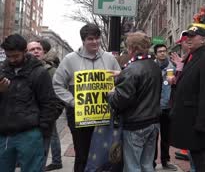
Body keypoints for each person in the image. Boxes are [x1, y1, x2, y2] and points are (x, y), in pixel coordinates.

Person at [53, 24, 121, 172]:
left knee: (104, 153)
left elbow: (120, 80)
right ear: (83, 40)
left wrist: (116, 87)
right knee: (82, 155)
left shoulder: (110, 58)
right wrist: (73, 102)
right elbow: (57, 84)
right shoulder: (70, 59)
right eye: (90, 39)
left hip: (104, 114)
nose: (95, 42)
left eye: (97, 38)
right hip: (79, 116)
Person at [0, 34, 55, 172]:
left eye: (16, 56)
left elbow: (48, 104)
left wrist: (42, 131)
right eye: (9, 56)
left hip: (30, 134)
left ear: (25, 52)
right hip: (4, 134)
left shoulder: (39, 73)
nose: (12, 59)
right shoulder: (2, 71)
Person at [108, 32, 162, 172]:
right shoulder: (154, 65)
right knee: (147, 164)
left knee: (132, 166)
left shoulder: (131, 69)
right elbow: (144, 80)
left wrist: (110, 95)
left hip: (136, 125)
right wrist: (122, 74)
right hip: (153, 122)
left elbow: (121, 100)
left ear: (132, 48)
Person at [170, 25, 205, 172]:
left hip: (197, 122)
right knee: (197, 159)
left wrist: (202, 125)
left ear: (204, 39)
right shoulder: (193, 57)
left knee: (201, 160)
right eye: (187, 36)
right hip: (190, 120)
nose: (188, 39)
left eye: (192, 36)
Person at [27, 40, 65, 171]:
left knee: (38, 162)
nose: (36, 51)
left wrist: (51, 116)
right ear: (25, 53)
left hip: (44, 122)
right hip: (22, 125)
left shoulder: (52, 71)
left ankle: (56, 160)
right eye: (32, 49)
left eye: (39, 49)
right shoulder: (16, 70)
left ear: (44, 52)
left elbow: (59, 96)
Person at [153, 43, 177, 171]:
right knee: (153, 136)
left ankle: (165, 160)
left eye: (164, 51)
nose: (162, 53)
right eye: (160, 51)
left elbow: (179, 81)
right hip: (154, 107)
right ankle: (151, 161)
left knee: (166, 136)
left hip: (168, 106)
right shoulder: (151, 66)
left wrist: (175, 81)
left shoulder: (172, 66)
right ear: (156, 54)